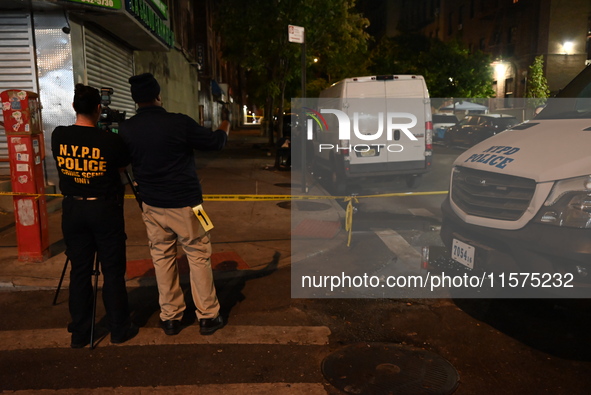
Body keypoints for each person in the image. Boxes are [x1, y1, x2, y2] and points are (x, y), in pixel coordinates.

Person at [119, 73, 230, 336]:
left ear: (135, 100)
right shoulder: (178, 123)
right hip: (189, 205)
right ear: (158, 95)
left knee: (162, 258)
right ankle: (208, 315)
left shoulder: (127, 129)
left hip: (152, 205)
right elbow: (215, 143)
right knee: (199, 255)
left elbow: (122, 164)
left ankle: (170, 317)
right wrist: (225, 124)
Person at [51, 84, 137, 348]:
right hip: (104, 210)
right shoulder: (110, 141)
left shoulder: (59, 135)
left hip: (73, 210)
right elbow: (122, 166)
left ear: (74, 107)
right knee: (112, 272)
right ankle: (119, 329)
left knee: (79, 272)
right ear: (99, 109)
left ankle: (79, 332)